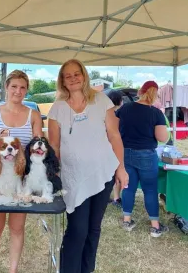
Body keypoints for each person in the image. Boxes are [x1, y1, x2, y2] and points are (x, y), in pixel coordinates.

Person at [48, 59, 128, 273]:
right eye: (68, 75)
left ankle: (87, 269)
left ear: (84, 75)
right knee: (78, 229)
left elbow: (114, 135)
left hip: (104, 172)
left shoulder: (101, 100)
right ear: (62, 81)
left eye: (77, 74)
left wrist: (121, 168)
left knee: (93, 228)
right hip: (73, 177)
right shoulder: (57, 108)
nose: (73, 78)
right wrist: (52, 175)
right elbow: (54, 145)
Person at [0, 70, 43, 273]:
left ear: (26, 90)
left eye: (22, 87)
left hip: (22, 179)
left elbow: (38, 147)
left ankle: (13, 270)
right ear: (6, 88)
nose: (18, 91)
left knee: (17, 228)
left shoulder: (33, 115)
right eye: (14, 86)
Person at [116, 80, 169, 237]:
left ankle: (127, 220)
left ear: (140, 91)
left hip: (125, 153)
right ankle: (155, 226)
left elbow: (115, 130)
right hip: (147, 154)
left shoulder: (125, 108)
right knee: (150, 190)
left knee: (128, 187)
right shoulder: (156, 113)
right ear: (155, 94)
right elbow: (162, 137)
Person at [107, 90, 124, 208]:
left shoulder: (103, 113)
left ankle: (106, 196)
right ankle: (117, 198)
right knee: (116, 172)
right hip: (115, 147)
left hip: (104, 148)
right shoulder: (119, 115)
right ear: (120, 101)